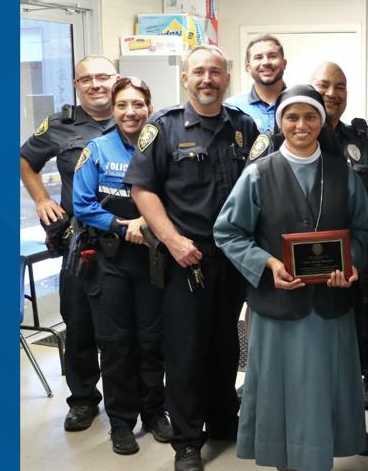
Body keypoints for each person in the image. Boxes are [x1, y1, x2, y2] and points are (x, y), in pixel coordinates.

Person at [214, 85, 368, 471]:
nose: (301, 125)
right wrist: (268, 265)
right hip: (278, 303)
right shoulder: (258, 173)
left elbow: (363, 231)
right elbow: (228, 231)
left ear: (322, 122)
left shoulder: (342, 172)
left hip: (330, 306)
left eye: (310, 117)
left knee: (322, 389)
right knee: (281, 389)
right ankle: (284, 459)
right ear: (280, 123)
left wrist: (350, 264)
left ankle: (321, 457)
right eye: (292, 117)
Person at [125, 45, 260, 471]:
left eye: (215, 73)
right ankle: (187, 440)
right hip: (188, 260)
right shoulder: (162, 127)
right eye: (199, 72)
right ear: (186, 78)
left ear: (227, 79)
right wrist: (173, 241)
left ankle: (223, 419)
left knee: (224, 345)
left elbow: (261, 187)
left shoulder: (244, 126)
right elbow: (143, 190)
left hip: (233, 259)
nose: (207, 79)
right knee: (185, 352)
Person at [71, 76, 172, 454]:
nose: (130, 112)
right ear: (113, 110)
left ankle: (155, 412)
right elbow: (82, 205)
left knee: (150, 341)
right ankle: (121, 423)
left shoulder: (159, 147)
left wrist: (146, 223)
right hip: (109, 261)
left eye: (138, 104)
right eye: (122, 105)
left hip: (152, 259)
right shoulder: (96, 149)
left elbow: (173, 195)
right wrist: (120, 225)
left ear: (149, 107)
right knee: (116, 345)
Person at [20, 54, 117, 432]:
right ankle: (82, 400)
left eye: (103, 77)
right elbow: (26, 160)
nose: (95, 85)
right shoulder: (59, 126)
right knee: (79, 323)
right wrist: (42, 200)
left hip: (131, 239)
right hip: (80, 242)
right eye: (86, 79)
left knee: (133, 326)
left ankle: (138, 399)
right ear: (76, 85)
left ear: (116, 79)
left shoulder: (138, 118)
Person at [308, 62, 368, 411]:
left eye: (340, 86)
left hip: (351, 264)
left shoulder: (360, 141)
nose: (332, 93)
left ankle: (347, 424)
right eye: (324, 85)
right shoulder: (287, 135)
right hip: (302, 269)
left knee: (352, 344)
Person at [227, 34, 287, 133]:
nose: (265, 62)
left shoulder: (299, 103)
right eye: (258, 57)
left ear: (284, 63)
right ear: (248, 67)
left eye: (272, 56)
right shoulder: (232, 107)